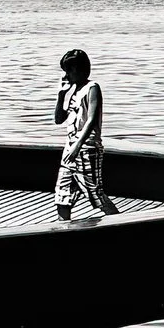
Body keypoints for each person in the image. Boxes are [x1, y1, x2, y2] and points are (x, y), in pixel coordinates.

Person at [51, 48, 112, 223]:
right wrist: (61, 95)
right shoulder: (74, 91)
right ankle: (64, 228)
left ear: (79, 69)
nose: (67, 75)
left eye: (69, 70)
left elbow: (91, 119)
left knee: (95, 194)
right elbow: (58, 119)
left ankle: (121, 223)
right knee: (62, 195)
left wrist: (78, 145)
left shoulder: (92, 88)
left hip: (86, 149)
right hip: (70, 149)